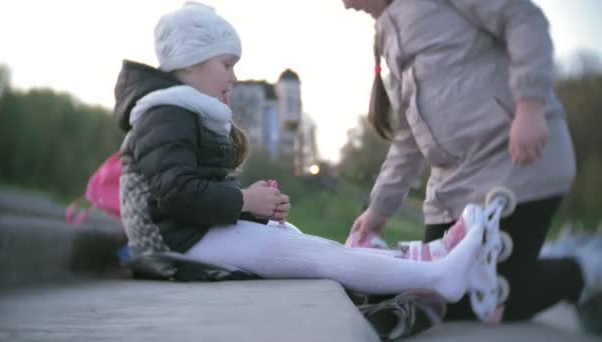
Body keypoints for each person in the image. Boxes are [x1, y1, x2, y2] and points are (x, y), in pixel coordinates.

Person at [114, 4, 496, 337]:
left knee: (301, 241)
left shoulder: (178, 113)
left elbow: (189, 190)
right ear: (191, 63)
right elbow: (178, 195)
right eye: (227, 65)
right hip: (172, 247)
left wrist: (249, 205)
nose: (233, 77)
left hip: (186, 235)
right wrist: (245, 199)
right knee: (309, 253)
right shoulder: (165, 116)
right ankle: (438, 277)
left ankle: (429, 258)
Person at [341, 0, 601, 328]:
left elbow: (523, 18)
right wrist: (379, 209)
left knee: (492, 297)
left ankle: (589, 263)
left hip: (515, 165)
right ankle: (534, 256)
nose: (346, 5)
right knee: (435, 288)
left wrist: (530, 105)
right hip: (452, 192)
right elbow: (409, 139)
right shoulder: (388, 35)